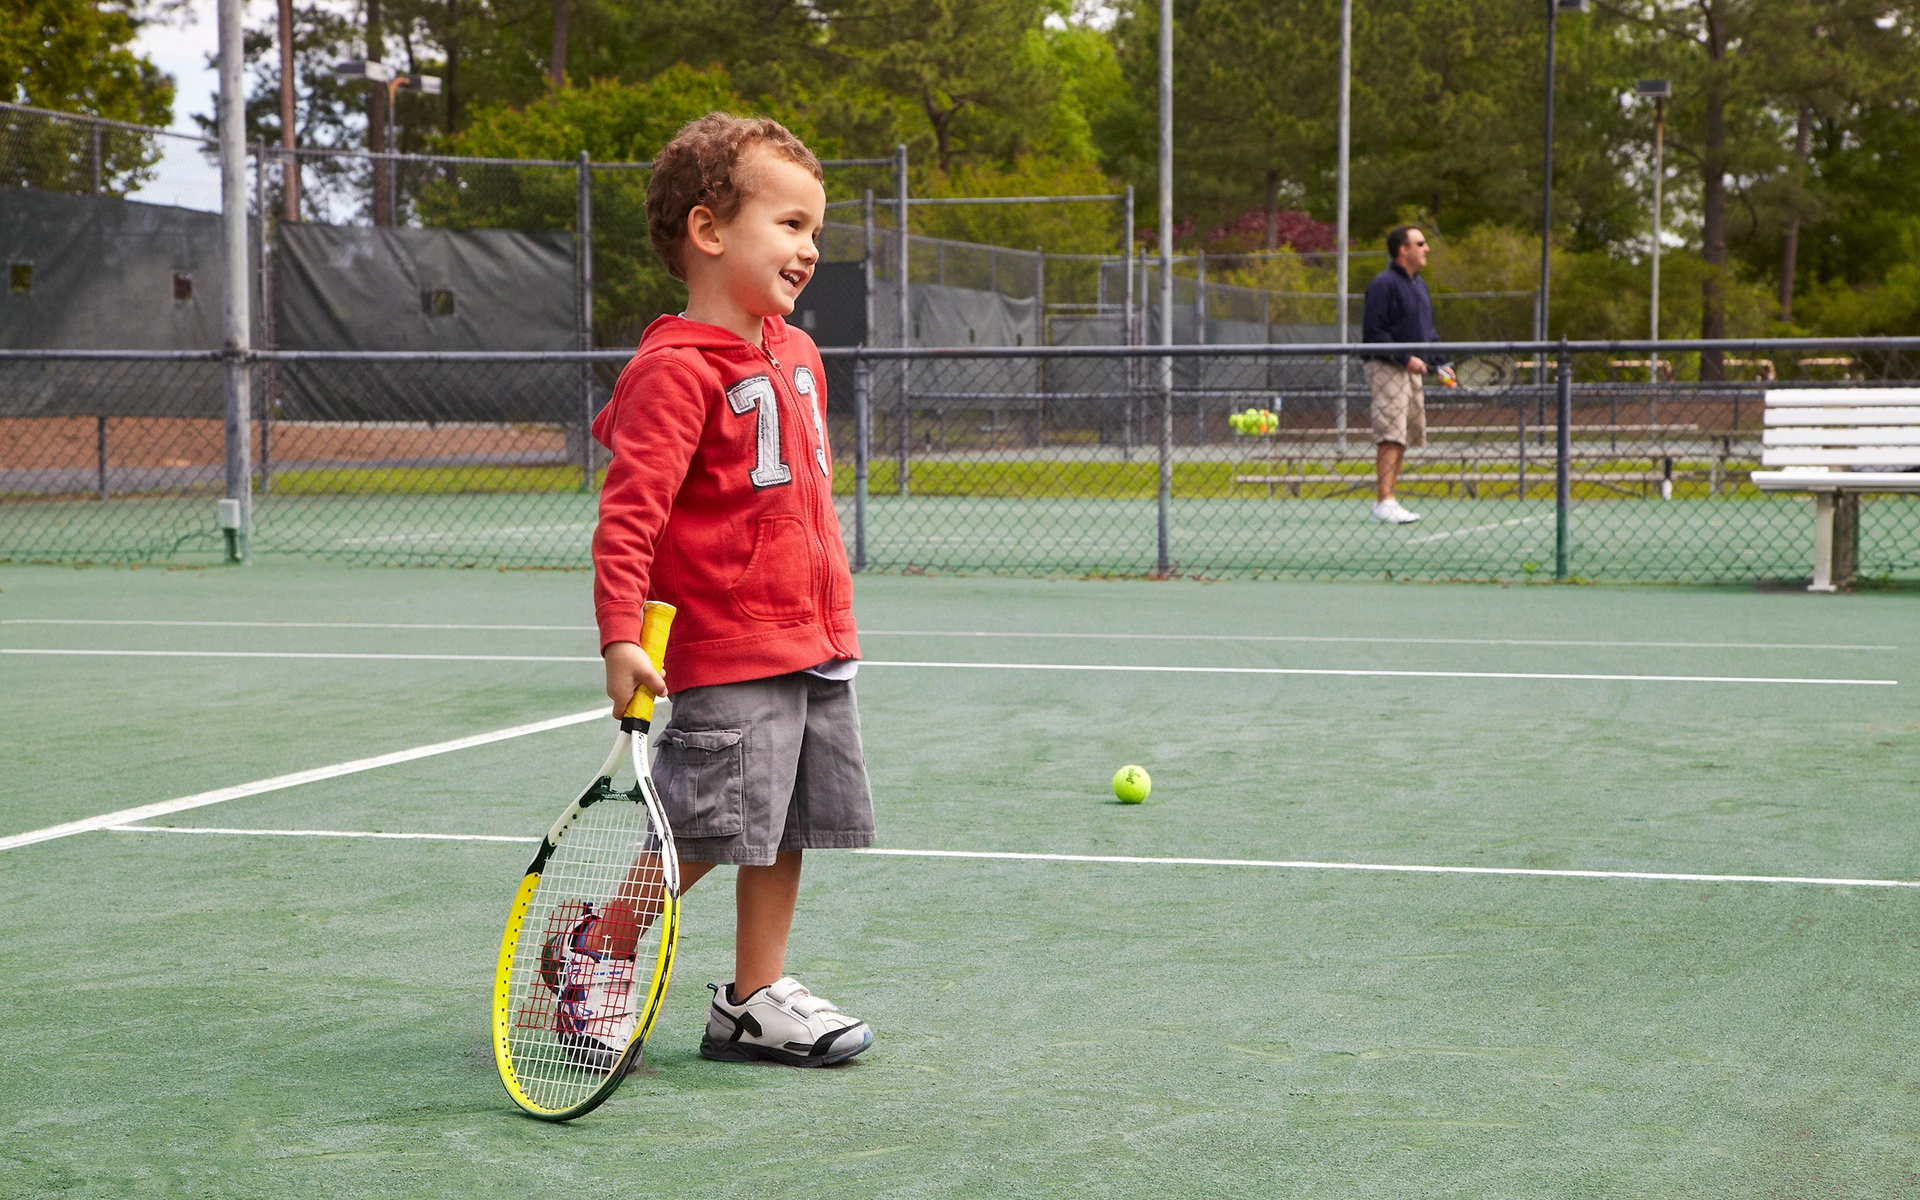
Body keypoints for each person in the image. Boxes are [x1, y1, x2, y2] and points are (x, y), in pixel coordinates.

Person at [591, 113, 874, 1067]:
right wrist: (620, 636)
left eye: (815, 231)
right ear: (710, 231)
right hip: (725, 642)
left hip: (811, 637)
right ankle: (594, 954)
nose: (810, 249)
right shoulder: (672, 372)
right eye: (789, 225)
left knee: (783, 822)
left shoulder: (797, 355)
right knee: (710, 827)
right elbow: (629, 518)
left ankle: (753, 998)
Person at [1360, 225, 1452, 524]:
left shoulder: (1419, 286)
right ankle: (1384, 501)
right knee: (1390, 434)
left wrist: (1440, 363)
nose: (1426, 249)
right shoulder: (1383, 284)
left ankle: (1389, 500)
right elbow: (1373, 333)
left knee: (1403, 436)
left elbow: (1428, 332)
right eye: (1421, 243)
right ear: (1404, 249)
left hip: (1410, 372)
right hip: (1386, 368)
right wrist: (1403, 358)